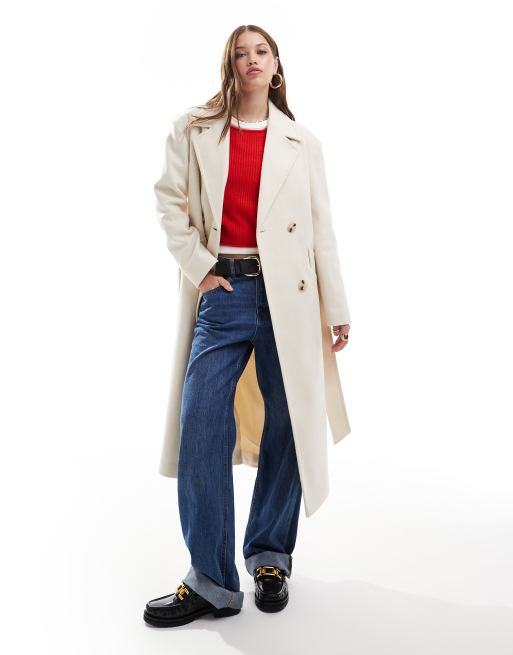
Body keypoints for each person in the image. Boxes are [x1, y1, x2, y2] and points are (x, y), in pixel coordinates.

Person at [144, 24, 351, 628]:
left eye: (261, 51)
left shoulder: (302, 143)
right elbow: (170, 202)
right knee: (201, 423)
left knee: (289, 422)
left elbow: (322, 229)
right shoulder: (194, 129)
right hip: (224, 290)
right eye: (241, 52)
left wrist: (336, 308)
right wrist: (200, 267)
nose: (252, 60)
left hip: (291, 297)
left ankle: (269, 556)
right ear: (229, 65)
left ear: (276, 64)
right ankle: (210, 580)